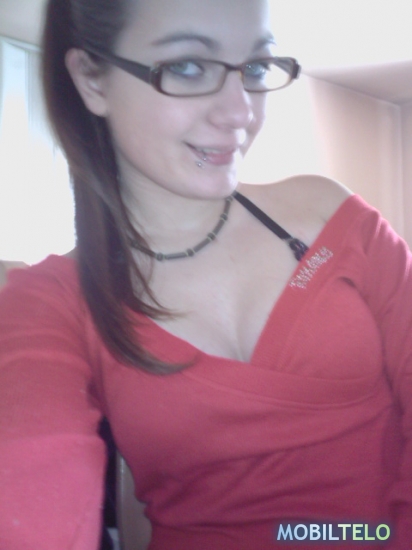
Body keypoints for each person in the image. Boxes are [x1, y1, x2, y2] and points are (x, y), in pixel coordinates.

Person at [0, 0, 411, 548]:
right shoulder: (51, 303)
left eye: (255, 67)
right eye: (188, 66)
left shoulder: (329, 217)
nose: (240, 112)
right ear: (92, 79)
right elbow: (30, 484)